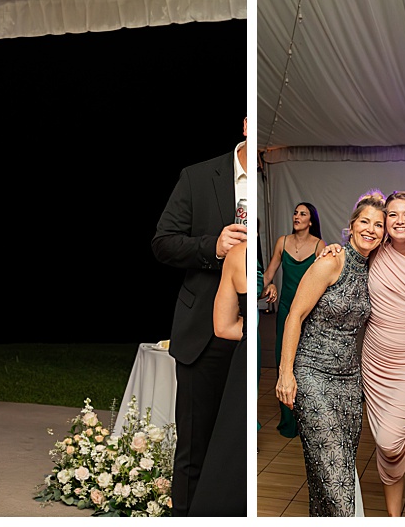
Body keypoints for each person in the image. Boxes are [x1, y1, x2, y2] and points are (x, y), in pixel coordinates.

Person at [152, 115, 246, 516]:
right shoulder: (198, 176)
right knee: (196, 445)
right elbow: (163, 243)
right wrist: (214, 247)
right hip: (204, 334)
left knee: (236, 446)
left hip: (249, 338)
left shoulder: (268, 185)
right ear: (245, 125)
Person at [276, 192, 385, 516]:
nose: (371, 229)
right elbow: (294, 314)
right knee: (337, 476)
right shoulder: (330, 261)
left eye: (378, 225)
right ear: (350, 227)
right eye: (364, 221)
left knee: (326, 472)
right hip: (312, 375)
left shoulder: (376, 268)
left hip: (350, 382)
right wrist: (286, 373)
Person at [359, 191, 405, 516]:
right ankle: (394, 517)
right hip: (374, 361)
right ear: (385, 220)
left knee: (390, 440)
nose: (400, 221)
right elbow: (347, 255)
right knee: (383, 443)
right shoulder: (373, 250)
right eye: (393, 214)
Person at [186, 236, 248, 516]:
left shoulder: (238, 255)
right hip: (247, 363)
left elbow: (223, 327)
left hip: (243, 362)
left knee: (231, 453)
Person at [260, 201, 324, 438]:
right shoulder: (282, 242)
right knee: (283, 360)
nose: (297, 216)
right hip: (286, 310)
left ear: (311, 220)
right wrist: (263, 287)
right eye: (295, 212)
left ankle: (308, 419)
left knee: (306, 363)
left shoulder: (319, 246)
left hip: (309, 312)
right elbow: (268, 274)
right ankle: (288, 422)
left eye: (302, 213)